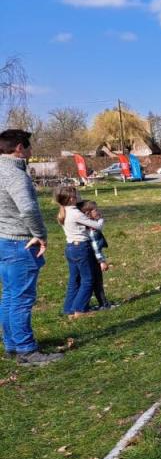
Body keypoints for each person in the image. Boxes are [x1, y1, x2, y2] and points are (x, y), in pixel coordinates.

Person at [0, 129, 60, 365]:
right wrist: (40, 234)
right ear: (19, 148)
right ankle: (26, 350)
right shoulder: (14, 174)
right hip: (20, 242)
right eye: (29, 146)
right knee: (22, 298)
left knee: (9, 295)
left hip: (3, 240)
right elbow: (27, 209)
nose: (31, 151)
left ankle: (12, 345)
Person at [56, 185, 104, 319]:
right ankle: (79, 309)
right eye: (77, 195)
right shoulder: (75, 213)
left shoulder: (63, 211)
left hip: (70, 247)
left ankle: (69, 309)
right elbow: (97, 226)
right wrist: (100, 218)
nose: (79, 197)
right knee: (88, 279)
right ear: (72, 198)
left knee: (74, 279)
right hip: (81, 248)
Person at [78, 200, 113, 308]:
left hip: (89, 257)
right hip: (94, 259)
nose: (98, 211)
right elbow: (95, 247)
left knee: (93, 282)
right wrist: (101, 261)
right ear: (88, 213)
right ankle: (102, 304)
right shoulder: (92, 230)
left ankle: (94, 304)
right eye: (95, 210)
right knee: (97, 282)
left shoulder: (89, 227)